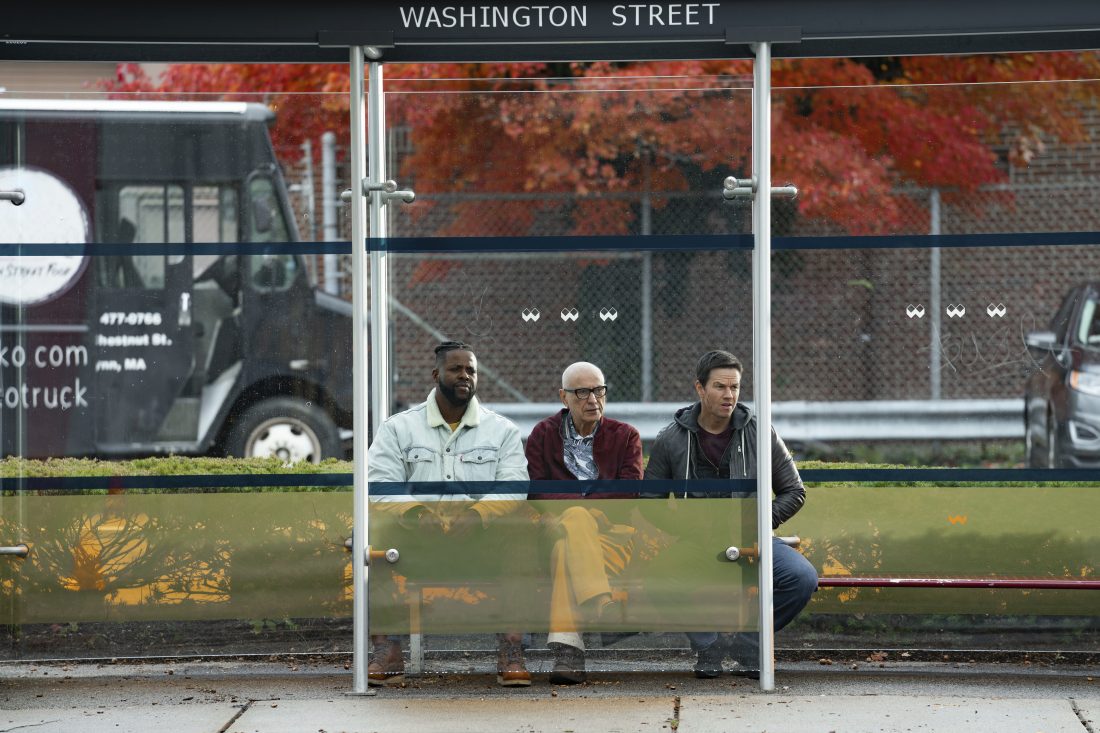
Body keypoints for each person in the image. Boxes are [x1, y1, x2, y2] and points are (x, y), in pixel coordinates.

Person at [366, 341, 532, 687]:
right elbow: (380, 483)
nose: (465, 376)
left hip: (481, 540)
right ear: (436, 374)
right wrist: (415, 513)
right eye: (456, 369)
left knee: (522, 540)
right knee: (375, 538)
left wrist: (479, 514)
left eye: (471, 370)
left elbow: (515, 485)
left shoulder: (502, 430)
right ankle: (387, 651)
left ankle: (512, 650)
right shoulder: (398, 428)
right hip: (417, 542)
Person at [644, 350, 818, 679]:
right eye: (720, 386)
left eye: (735, 387)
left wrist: (759, 521)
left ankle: (748, 645)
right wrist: (686, 528)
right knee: (656, 578)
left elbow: (795, 491)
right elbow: (649, 500)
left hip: (754, 540)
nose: (729, 395)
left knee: (801, 578)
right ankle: (708, 646)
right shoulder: (671, 438)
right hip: (698, 543)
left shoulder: (760, 432)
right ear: (700, 388)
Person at [525, 362, 643, 684]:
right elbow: (536, 489)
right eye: (582, 392)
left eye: (599, 390)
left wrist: (585, 513)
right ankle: (600, 603)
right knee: (574, 522)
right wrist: (584, 512)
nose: (593, 399)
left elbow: (630, 490)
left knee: (565, 551)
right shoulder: (543, 435)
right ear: (563, 397)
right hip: (557, 529)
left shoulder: (626, 435)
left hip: (612, 537)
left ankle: (569, 655)